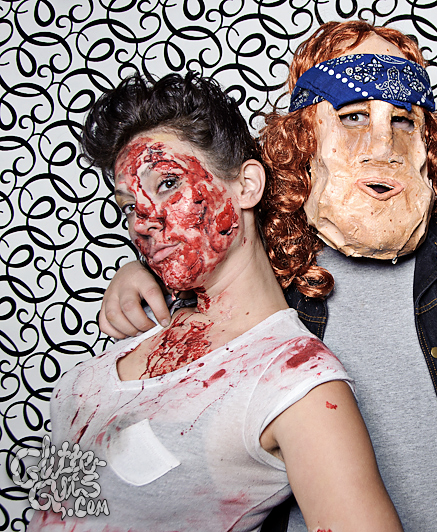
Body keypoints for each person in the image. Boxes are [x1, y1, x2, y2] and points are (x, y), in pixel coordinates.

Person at [95, 21, 437, 532]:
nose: (382, 145)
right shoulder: (263, 260)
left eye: (402, 120)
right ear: (305, 133)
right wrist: (144, 272)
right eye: (353, 116)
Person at [27, 72, 402, 532]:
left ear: (247, 186)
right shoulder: (130, 333)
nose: (142, 220)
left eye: (168, 183)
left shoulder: (295, 382)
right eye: (128, 204)